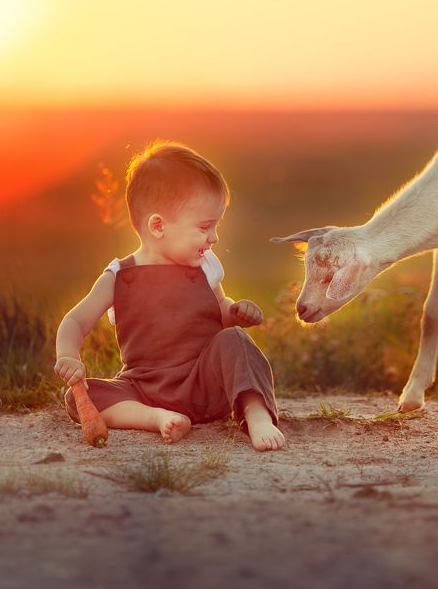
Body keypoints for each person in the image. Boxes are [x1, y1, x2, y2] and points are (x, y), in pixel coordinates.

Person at [53, 142, 285, 451]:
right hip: (143, 388)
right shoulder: (119, 276)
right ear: (158, 226)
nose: (214, 238)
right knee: (80, 397)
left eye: (216, 226)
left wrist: (235, 312)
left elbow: (220, 311)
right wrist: (68, 356)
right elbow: (76, 321)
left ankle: (257, 416)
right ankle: (156, 418)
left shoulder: (205, 266)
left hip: (202, 384)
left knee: (235, 340)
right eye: (205, 227)